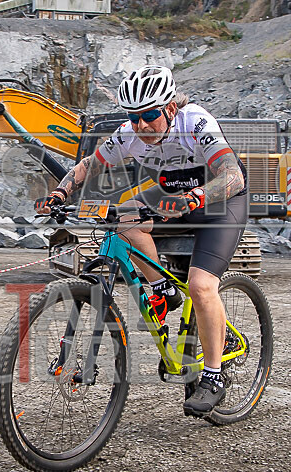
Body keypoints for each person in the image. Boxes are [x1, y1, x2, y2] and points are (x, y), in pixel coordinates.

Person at [34, 64, 248, 417]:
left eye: (150, 115)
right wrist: (60, 193)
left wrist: (195, 198)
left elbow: (233, 176)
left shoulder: (195, 122)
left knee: (201, 285)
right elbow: (88, 165)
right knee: (123, 217)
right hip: (173, 198)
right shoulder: (127, 134)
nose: (142, 125)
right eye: (134, 117)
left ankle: (213, 377)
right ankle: (163, 286)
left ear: (170, 108)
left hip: (220, 204)